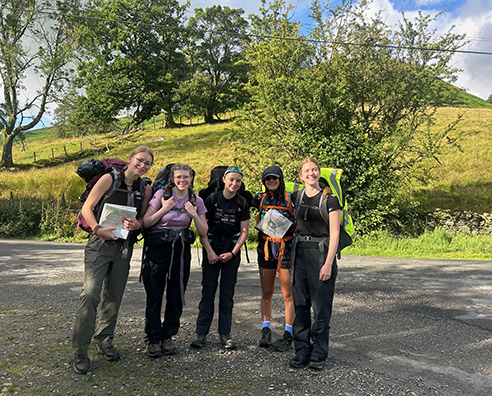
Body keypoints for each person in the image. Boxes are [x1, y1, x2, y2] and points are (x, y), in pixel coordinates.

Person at [72, 145, 154, 375]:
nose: (142, 165)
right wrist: (98, 229)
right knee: (90, 294)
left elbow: (141, 218)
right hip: (99, 244)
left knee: (114, 295)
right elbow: (87, 207)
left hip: (123, 247)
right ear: (130, 159)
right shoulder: (109, 179)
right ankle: (80, 350)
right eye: (140, 160)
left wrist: (137, 225)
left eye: (147, 163)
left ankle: (105, 340)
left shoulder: (144, 188)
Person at [141, 164, 208, 358]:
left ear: (191, 179)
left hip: (181, 249)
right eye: (179, 177)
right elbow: (147, 221)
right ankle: (152, 338)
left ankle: (168, 335)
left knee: (176, 293)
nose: (182, 180)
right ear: (172, 178)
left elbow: (203, 231)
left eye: (186, 177)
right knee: (154, 293)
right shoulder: (162, 195)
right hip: (159, 248)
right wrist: (164, 209)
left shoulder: (196, 200)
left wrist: (194, 213)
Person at [289, 158, 341, 371]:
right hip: (299, 254)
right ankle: (302, 350)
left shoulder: (330, 199)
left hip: (321, 255)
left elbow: (335, 233)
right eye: (307, 171)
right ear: (300, 176)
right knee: (300, 305)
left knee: (320, 308)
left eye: (315, 170)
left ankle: (318, 353)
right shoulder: (296, 197)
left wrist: (328, 264)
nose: (311, 173)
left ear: (319, 172)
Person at [190, 166, 250, 350]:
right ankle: (201, 334)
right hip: (212, 249)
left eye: (238, 181)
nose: (234, 183)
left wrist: (233, 252)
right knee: (208, 291)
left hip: (231, 251)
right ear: (224, 180)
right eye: (231, 179)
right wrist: (209, 251)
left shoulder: (242, 203)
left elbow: (244, 231)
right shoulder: (212, 199)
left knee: (227, 293)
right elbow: (203, 228)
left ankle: (225, 334)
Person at [252, 166, 295, 351]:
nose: (271, 180)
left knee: (288, 294)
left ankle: (288, 333)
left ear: (280, 179)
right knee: (266, 292)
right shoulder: (259, 199)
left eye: (274, 178)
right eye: (267, 178)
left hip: (285, 249)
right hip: (266, 249)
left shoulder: (290, 197)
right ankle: (266, 330)